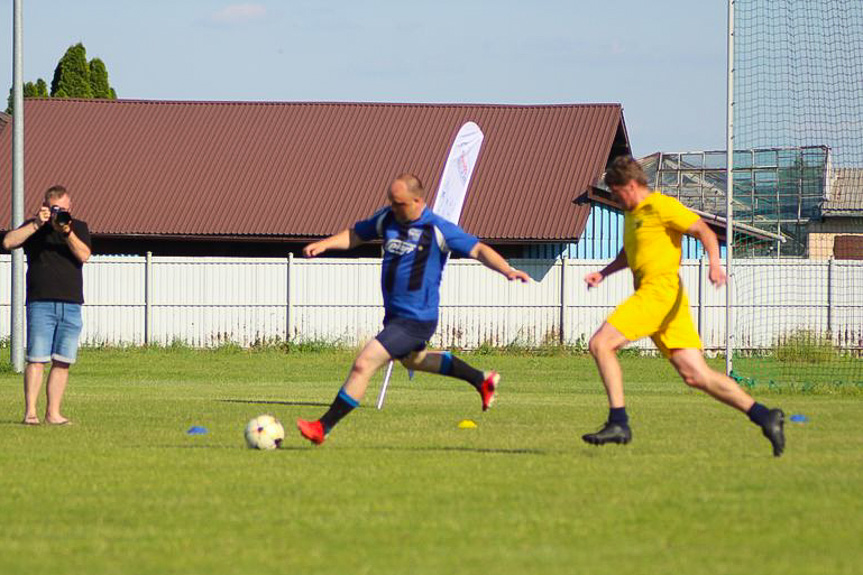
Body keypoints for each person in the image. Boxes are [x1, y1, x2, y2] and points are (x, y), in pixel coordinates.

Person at [296, 173, 530, 444]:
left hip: (416, 318)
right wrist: (325, 244)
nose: (394, 208)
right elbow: (357, 235)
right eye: (392, 202)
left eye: (400, 203)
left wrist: (507, 270)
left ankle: (322, 427)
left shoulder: (438, 229)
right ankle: (481, 379)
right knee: (414, 361)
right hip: (395, 316)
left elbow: (478, 249)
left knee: (364, 363)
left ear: (418, 200)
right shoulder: (387, 219)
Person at [582, 156, 785, 456]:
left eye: (615, 190)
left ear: (633, 185)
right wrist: (604, 272)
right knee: (695, 375)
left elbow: (703, 231)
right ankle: (764, 416)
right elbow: (630, 253)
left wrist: (714, 264)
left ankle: (619, 422)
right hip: (666, 301)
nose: (613, 197)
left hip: (659, 293)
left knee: (601, 344)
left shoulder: (662, 206)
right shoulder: (632, 214)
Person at [2, 185, 92, 425]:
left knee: (63, 361)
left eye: (63, 209)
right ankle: (30, 412)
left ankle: (53, 413)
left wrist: (67, 232)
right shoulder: (34, 228)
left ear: (70, 208)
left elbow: (84, 255)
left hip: (71, 304)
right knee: (37, 359)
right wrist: (35, 225)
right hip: (40, 302)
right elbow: (8, 242)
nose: (58, 213)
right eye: (54, 209)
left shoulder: (78, 228)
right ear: (45, 206)